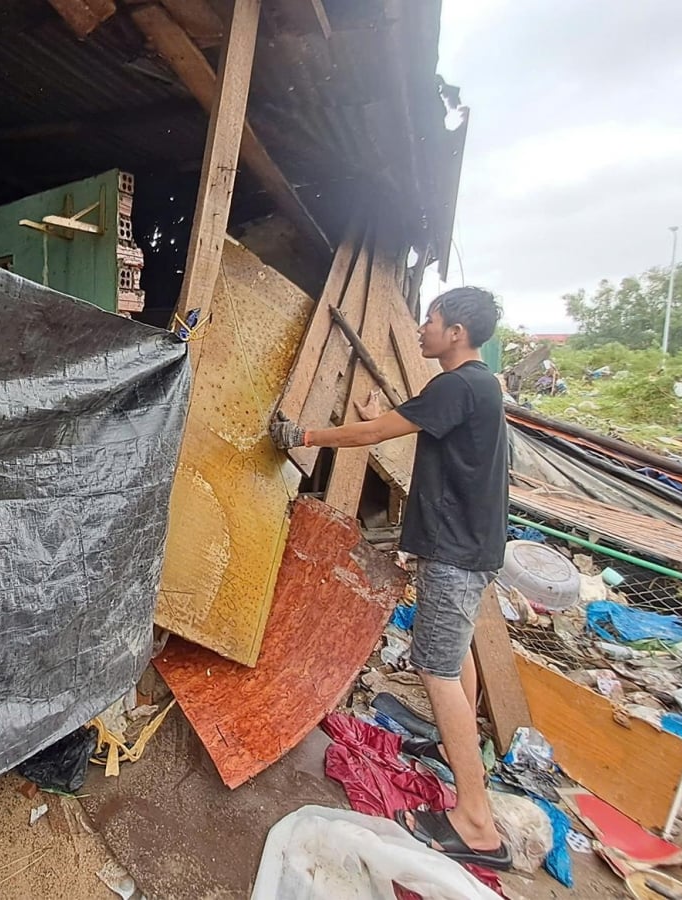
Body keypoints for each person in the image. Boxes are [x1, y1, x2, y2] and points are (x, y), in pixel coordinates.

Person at [269, 286, 511, 870]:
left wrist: (303, 437)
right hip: (472, 546)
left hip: (454, 551)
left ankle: (476, 824)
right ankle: (459, 755)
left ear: (457, 332)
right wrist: (381, 410)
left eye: (431, 319)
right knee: (454, 660)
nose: (423, 328)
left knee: (434, 667)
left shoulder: (457, 385)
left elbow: (376, 435)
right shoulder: (479, 387)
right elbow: (406, 422)